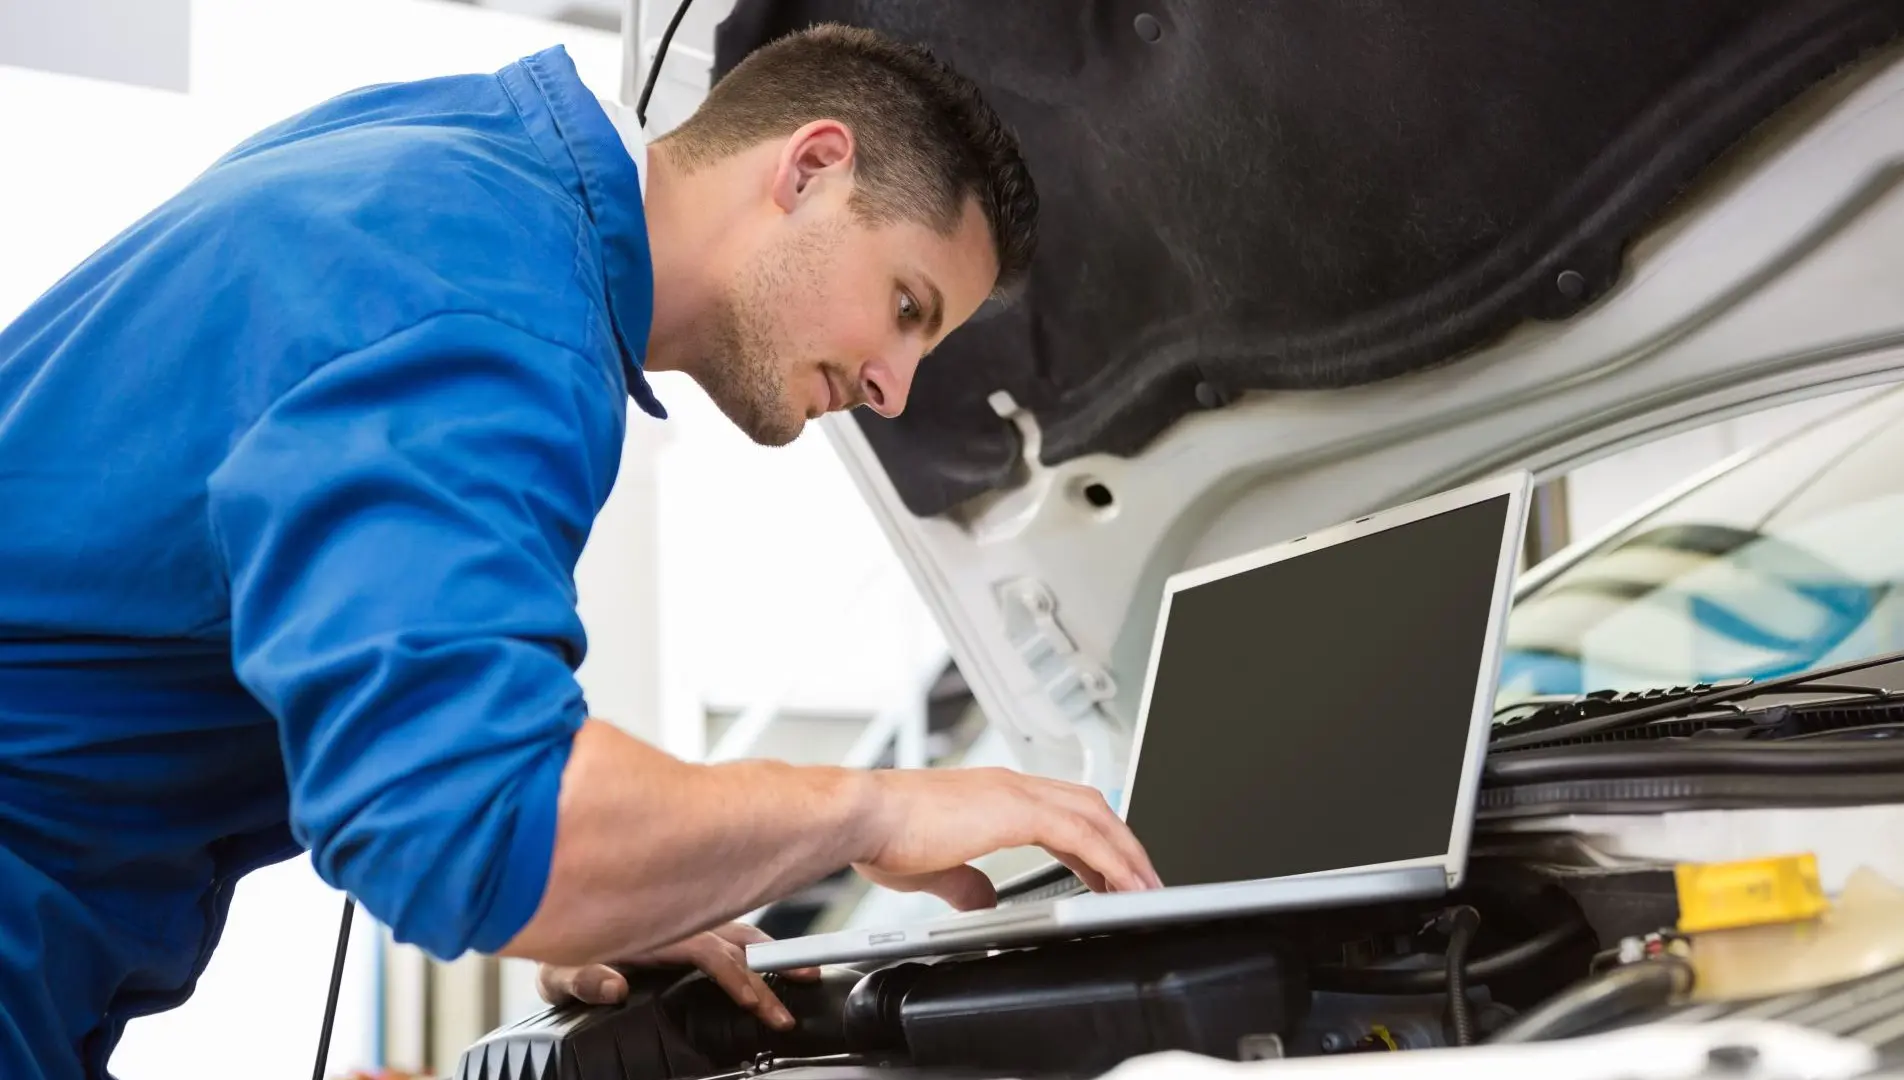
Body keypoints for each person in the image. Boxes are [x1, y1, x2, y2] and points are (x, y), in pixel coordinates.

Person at [0, 24, 1160, 1080]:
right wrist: (872, 812)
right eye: (907, 306)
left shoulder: (460, 155)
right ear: (809, 168)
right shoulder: (495, 303)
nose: (895, 393)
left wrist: (618, 891)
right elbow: (471, 819)